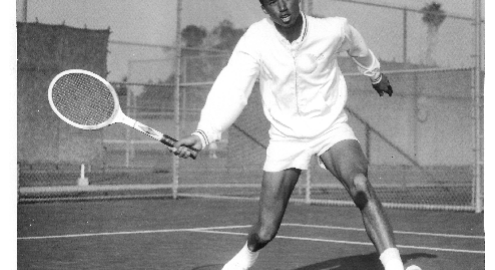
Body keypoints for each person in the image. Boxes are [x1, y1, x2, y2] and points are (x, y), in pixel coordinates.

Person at [172, 1, 420, 270]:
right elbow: (233, 86)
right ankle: (244, 259)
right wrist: (204, 133)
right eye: (271, 2)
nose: (282, 6)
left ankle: (395, 267)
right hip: (285, 137)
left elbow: (358, 46)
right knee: (265, 231)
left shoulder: (333, 29)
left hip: (330, 126)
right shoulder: (256, 39)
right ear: (264, 8)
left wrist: (375, 74)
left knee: (360, 183)